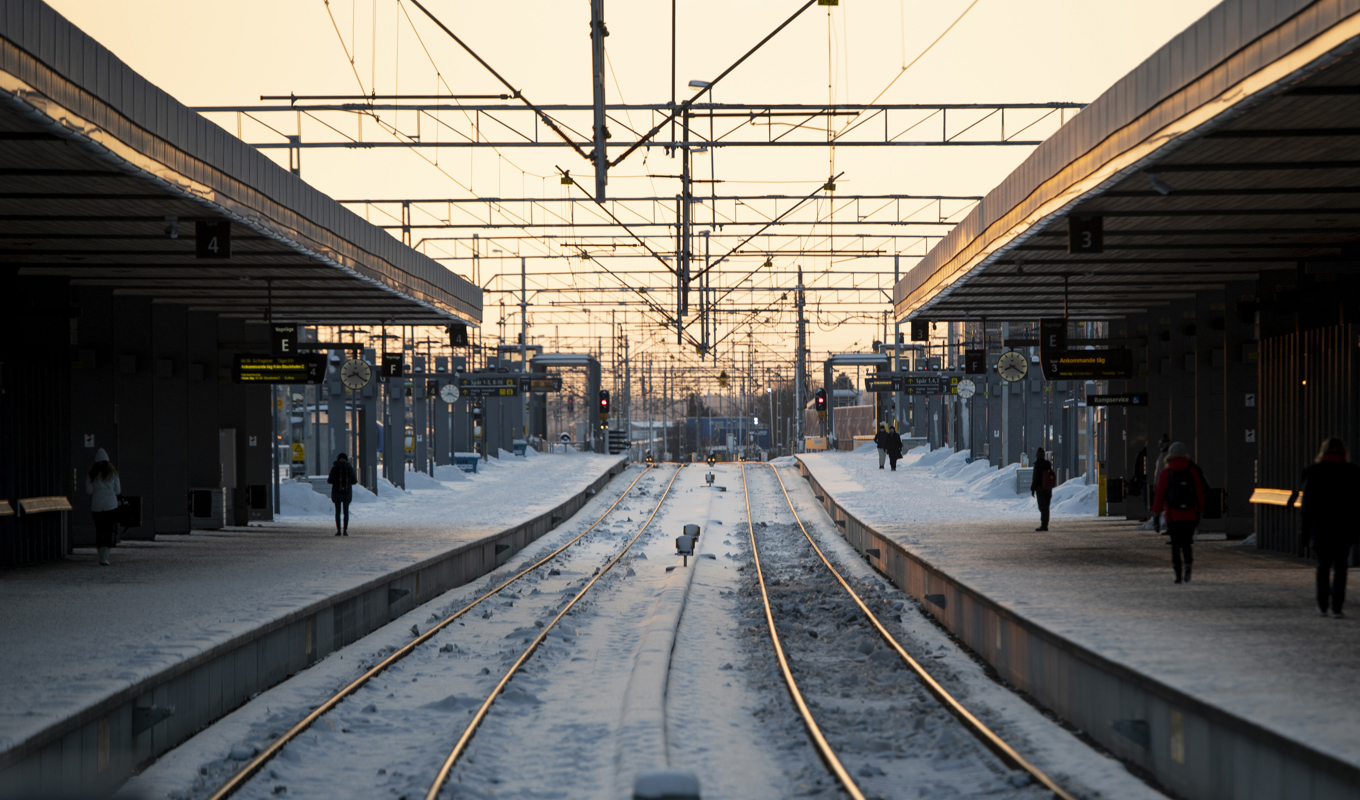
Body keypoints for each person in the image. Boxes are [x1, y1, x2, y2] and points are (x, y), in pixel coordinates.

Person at [1300, 437, 1360, 618]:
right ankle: (1337, 606)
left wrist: (1304, 532)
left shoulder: (1313, 472)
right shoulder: (1353, 472)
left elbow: (1306, 506)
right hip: (1344, 528)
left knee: (1323, 566)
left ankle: (1322, 604)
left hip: (1320, 528)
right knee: (1341, 567)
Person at [1152, 441, 1205, 584]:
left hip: (1172, 515)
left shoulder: (1166, 473)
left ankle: (1178, 574)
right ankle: (1188, 565)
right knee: (1187, 543)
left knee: (1175, 545)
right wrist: (1200, 511)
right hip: (1190, 514)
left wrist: (1156, 515)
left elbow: (1159, 495)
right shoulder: (1192, 471)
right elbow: (1199, 492)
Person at [85, 448, 120, 566]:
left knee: (99, 531)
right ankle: (106, 557)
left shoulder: (92, 474)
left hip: (97, 505)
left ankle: (101, 557)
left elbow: (89, 491)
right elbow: (118, 490)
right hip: (111, 505)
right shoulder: (113, 473)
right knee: (109, 530)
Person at [328, 453, 358, 536]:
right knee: (346, 512)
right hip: (347, 493)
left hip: (336, 492)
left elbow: (329, 480)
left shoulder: (334, 468)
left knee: (337, 512)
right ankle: (345, 530)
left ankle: (338, 530)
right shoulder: (349, 468)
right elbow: (354, 481)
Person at [1029, 448, 1056, 531]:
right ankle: (1045, 524)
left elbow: (1035, 478)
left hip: (1040, 489)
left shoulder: (1037, 465)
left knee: (1042, 507)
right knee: (1046, 507)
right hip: (1048, 489)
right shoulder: (1047, 464)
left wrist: (1032, 489)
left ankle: (1043, 525)